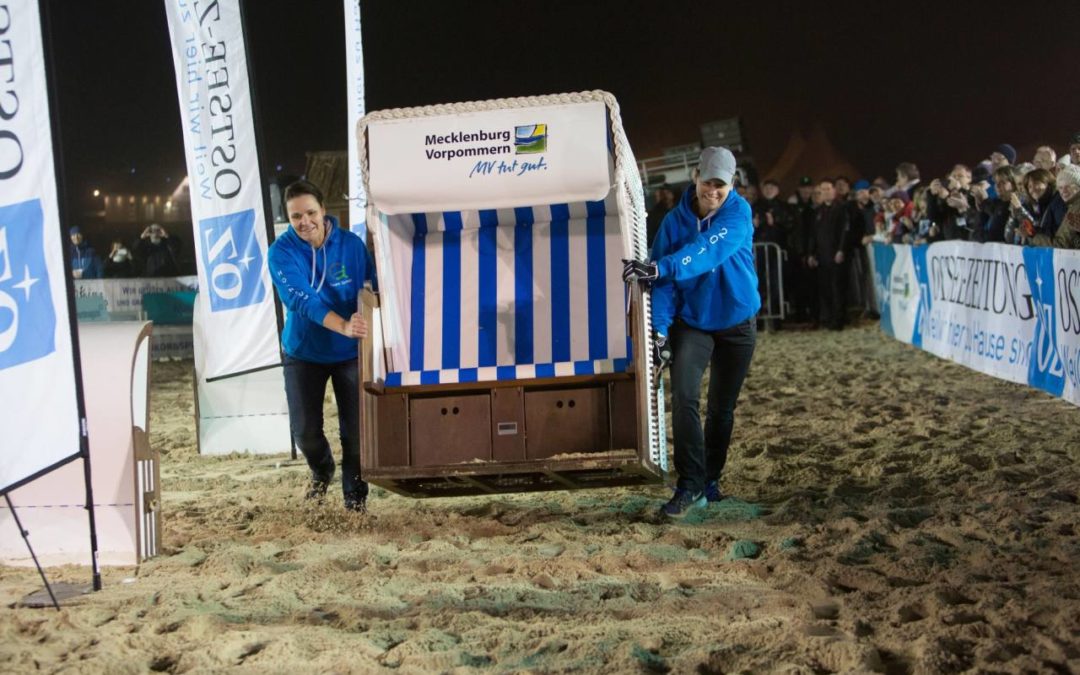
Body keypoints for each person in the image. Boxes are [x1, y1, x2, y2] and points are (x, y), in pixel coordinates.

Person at [622, 147, 759, 519]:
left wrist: (661, 267)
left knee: (721, 410)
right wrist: (661, 330)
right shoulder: (673, 221)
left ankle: (710, 481)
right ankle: (689, 484)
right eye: (708, 181)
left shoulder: (739, 212)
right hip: (694, 324)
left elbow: (708, 250)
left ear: (731, 185)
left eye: (721, 184)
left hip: (737, 324)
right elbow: (661, 285)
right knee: (684, 398)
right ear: (695, 176)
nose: (713, 191)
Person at [268, 180, 377, 513]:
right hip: (303, 353)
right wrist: (342, 324)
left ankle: (354, 503)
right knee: (305, 433)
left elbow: (371, 286)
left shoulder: (352, 245)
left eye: (311, 212)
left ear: (324, 211)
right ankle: (322, 468)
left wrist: (366, 314)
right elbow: (302, 301)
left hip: (349, 354)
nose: (305, 222)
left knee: (355, 435)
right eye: (296, 216)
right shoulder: (281, 252)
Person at [807, 179, 852, 330]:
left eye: (828, 189)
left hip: (836, 254)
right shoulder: (818, 211)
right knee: (825, 288)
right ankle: (828, 317)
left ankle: (838, 319)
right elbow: (813, 234)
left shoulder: (842, 209)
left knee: (837, 288)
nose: (825, 192)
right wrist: (811, 254)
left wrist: (841, 250)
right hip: (822, 255)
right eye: (822, 190)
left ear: (834, 191)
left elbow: (845, 232)